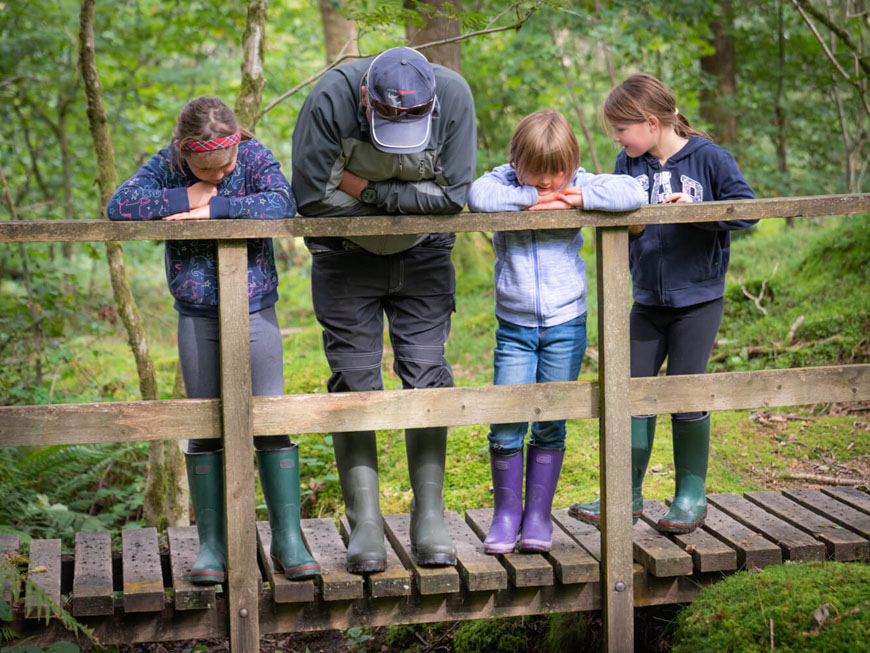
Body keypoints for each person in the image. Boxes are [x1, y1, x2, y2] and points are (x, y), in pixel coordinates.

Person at [107, 96, 320, 583]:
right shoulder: (167, 163)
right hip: (196, 311)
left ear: (236, 145)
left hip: (255, 306)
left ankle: (288, 538)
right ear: (184, 152)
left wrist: (215, 207)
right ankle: (213, 546)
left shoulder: (254, 155)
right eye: (207, 169)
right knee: (203, 424)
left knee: (270, 419)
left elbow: (282, 202)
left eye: (225, 166)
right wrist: (188, 195)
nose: (220, 174)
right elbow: (120, 205)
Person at [291, 46, 476, 573]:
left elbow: (452, 196)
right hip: (344, 257)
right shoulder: (330, 99)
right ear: (367, 99)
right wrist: (410, 193)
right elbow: (313, 198)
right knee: (354, 380)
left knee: (427, 373)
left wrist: (368, 188)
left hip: (425, 256)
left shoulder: (452, 95)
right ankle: (366, 524)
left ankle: (430, 516)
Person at [569, 73, 757, 534]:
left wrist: (696, 213)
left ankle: (690, 495)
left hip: (698, 300)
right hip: (647, 301)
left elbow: (747, 211)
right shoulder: (628, 163)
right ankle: (626, 493)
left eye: (621, 129)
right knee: (630, 392)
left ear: (652, 123)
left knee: (686, 394)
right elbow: (619, 210)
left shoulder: (709, 158)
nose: (617, 138)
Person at [467, 110, 645, 554]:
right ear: (516, 162)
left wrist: (577, 196)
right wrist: (531, 197)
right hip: (515, 327)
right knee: (506, 422)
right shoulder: (503, 182)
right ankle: (505, 516)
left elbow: (632, 191)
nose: (547, 182)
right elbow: (477, 196)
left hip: (566, 324)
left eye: (556, 173)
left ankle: (538, 516)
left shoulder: (577, 181)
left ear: (572, 164)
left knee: (551, 423)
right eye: (536, 172)